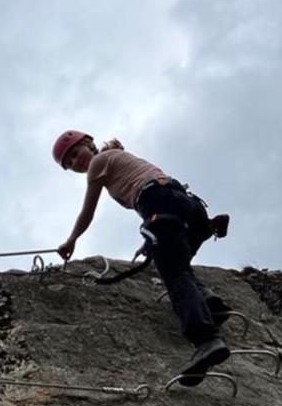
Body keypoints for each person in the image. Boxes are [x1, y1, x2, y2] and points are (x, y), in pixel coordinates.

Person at [53, 131, 232, 385]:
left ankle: (206, 340)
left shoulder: (98, 164)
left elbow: (87, 213)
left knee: (174, 274)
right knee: (174, 257)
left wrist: (71, 240)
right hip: (185, 205)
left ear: (88, 144)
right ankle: (207, 297)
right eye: (69, 163)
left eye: (74, 154)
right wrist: (150, 240)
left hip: (158, 203)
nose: (74, 162)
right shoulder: (121, 159)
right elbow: (161, 194)